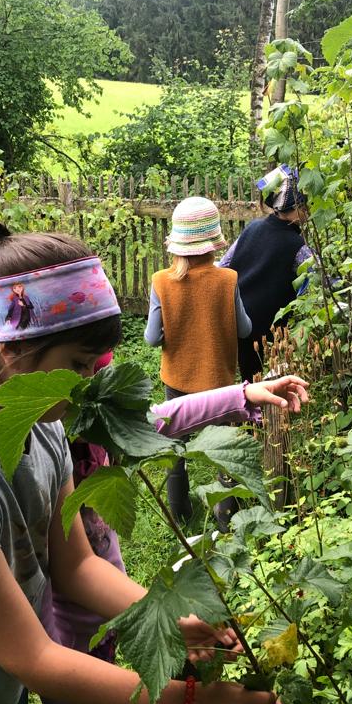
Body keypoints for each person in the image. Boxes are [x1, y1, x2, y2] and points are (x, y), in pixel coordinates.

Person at [0, 215, 296, 704]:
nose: (89, 383)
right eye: (78, 365)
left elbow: (77, 568)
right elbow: (31, 656)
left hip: (0, 694)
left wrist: (169, 615)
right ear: (13, 349)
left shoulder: (44, 427)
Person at [41, 353, 310, 704]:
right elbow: (44, 629)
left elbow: (168, 417)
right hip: (67, 639)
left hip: (115, 605)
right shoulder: (49, 468)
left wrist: (243, 395)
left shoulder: (106, 433)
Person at [145, 196, 252, 526]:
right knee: (225, 451)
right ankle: (226, 517)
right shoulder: (227, 279)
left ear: (177, 243)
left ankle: (179, 513)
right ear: (213, 242)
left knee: (174, 448)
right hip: (219, 382)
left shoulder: (161, 281)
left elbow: (151, 338)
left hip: (177, 379)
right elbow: (245, 330)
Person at [218, 167, 315, 382]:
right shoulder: (297, 245)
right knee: (270, 380)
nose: (308, 211)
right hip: (270, 330)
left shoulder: (252, 228)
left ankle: (246, 403)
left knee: (249, 378)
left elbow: (224, 265)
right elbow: (320, 278)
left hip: (239, 319)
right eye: (304, 206)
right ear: (294, 207)